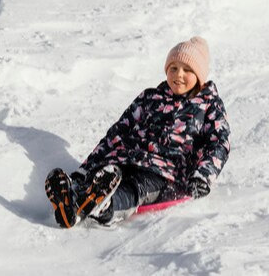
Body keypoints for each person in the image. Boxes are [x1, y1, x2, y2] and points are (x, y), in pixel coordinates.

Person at [45, 36, 231, 228]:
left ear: (200, 76)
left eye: (187, 69)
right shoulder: (150, 97)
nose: (178, 75)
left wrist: (203, 176)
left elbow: (218, 143)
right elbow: (117, 133)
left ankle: (107, 207)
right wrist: (86, 168)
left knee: (136, 188)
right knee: (104, 176)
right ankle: (73, 204)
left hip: (166, 173)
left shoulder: (209, 105)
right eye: (173, 68)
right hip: (127, 158)